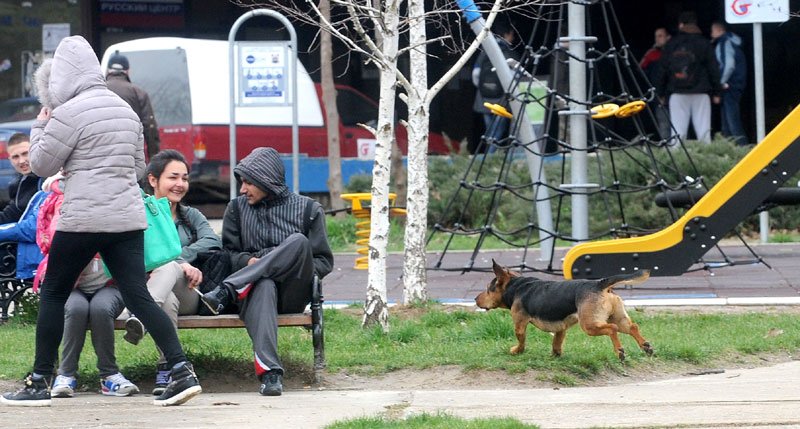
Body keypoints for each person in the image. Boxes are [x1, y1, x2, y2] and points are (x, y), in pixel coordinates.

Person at [0, 35, 200, 407]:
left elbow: (42, 165)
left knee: (55, 293)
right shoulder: (126, 111)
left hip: (83, 219)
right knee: (139, 296)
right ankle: (181, 371)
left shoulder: (67, 113)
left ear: (61, 77)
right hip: (126, 219)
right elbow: (140, 169)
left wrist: (41, 127)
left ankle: (40, 380)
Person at [199, 147, 333, 396]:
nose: (242, 189)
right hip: (255, 294)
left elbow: (323, 261)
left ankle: (227, 289)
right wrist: (250, 262)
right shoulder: (236, 209)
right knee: (263, 283)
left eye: (248, 182)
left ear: (267, 180)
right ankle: (271, 375)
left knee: (298, 242)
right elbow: (228, 254)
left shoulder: (309, 209)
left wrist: (286, 262)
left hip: (293, 291)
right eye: (241, 182)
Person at [120, 149, 222, 396]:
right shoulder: (139, 215)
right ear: (153, 180)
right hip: (156, 291)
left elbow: (212, 241)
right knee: (166, 299)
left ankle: (143, 316)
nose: (180, 184)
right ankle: (169, 369)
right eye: (173, 177)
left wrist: (178, 260)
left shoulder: (191, 216)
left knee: (168, 267)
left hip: (189, 292)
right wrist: (175, 261)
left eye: (184, 178)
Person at [39, 175, 138, 398]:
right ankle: (66, 375)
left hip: (110, 284)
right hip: (72, 285)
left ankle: (109, 375)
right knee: (76, 309)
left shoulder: (115, 203)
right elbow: (51, 240)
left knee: (101, 309)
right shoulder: (59, 203)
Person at [655, 11, 722, 144]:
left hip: (677, 93)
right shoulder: (704, 43)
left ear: (681, 25)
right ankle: (706, 159)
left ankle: (677, 162)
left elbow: (662, 70)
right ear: (695, 24)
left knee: (678, 134)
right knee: (704, 132)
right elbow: (713, 69)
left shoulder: (671, 44)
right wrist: (717, 92)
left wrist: (660, 93)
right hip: (701, 93)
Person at [471, 21, 519, 153]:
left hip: (484, 99)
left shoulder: (484, 52)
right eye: (511, 35)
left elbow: (475, 76)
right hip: (501, 98)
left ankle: (488, 153)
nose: (513, 38)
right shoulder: (509, 54)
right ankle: (491, 155)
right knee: (498, 129)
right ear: (506, 34)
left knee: (489, 129)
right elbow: (515, 77)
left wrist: (483, 89)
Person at [105, 52, 161, 160]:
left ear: (108, 70)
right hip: (129, 155)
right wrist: (154, 159)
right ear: (127, 71)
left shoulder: (96, 90)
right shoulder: (138, 93)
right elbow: (150, 127)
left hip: (100, 156)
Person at [711, 21, 748, 146]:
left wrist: (721, 82)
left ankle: (743, 149)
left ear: (719, 31)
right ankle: (729, 149)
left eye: (713, 31)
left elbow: (728, 65)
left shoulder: (724, 42)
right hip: (736, 83)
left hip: (729, 85)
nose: (711, 34)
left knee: (732, 122)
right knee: (726, 123)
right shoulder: (733, 42)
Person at [0, 133, 42, 225]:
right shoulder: (17, 185)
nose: (21, 161)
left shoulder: (47, 179)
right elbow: (10, 215)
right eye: (15, 157)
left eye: (25, 154)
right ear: (10, 160)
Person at [640, 27, 672, 140]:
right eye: (656, 36)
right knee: (663, 121)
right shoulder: (652, 54)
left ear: (668, 37)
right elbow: (641, 69)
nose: (657, 39)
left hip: (676, 91)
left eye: (660, 36)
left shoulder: (675, 51)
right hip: (658, 93)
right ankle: (666, 146)